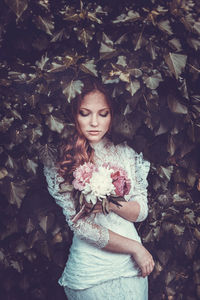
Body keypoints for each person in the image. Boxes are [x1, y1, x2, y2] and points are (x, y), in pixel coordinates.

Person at [44, 76, 155, 300]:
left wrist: (110, 202)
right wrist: (136, 248)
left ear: (111, 115)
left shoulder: (125, 153)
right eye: (85, 113)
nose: (94, 122)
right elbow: (82, 227)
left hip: (132, 270)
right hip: (91, 274)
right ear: (73, 115)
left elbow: (140, 211)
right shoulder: (60, 160)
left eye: (102, 114)